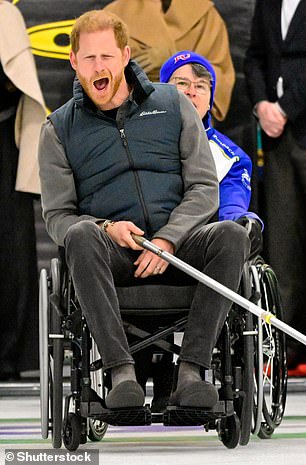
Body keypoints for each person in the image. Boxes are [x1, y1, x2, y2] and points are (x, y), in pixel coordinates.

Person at [38, 9, 250, 410]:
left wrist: (169, 238)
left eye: (106, 56)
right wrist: (107, 227)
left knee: (231, 234)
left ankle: (191, 371)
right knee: (80, 235)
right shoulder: (58, 128)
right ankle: (121, 372)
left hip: (181, 245)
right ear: (74, 63)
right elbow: (58, 217)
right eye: (88, 58)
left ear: (124, 55)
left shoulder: (173, 104)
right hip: (115, 251)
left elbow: (205, 188)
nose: (98, 66)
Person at [136, 50, 263, 412]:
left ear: (211, 96)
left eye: (201, 86)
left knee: (231, 237)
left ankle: (190, 368)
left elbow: (233, 205)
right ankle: (142, 364)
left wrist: (241, 221)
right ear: (162, 91)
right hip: (142, 252)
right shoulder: (138, 142)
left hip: (200, 259)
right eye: (181, 84)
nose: (192, 92)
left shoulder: (230, 156)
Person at [244, 0, 306, 373]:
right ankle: (285, 347)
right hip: (278, 142)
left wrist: (285, 108)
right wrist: (262, 105)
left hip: (295, 123)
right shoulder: (266, 3)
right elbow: (254, 57)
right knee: (283, 246)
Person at [0, 1, 46, 380]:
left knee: (9, 249)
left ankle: (8, 352)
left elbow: (18, 85)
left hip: (3, 146)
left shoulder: (5, 14)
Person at [104, 0, 235, 122]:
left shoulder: (206, 16)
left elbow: (221, 74)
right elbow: (99, 68)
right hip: (132, 120)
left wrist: (175, 60)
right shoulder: (114, 14)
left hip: (190, 122)